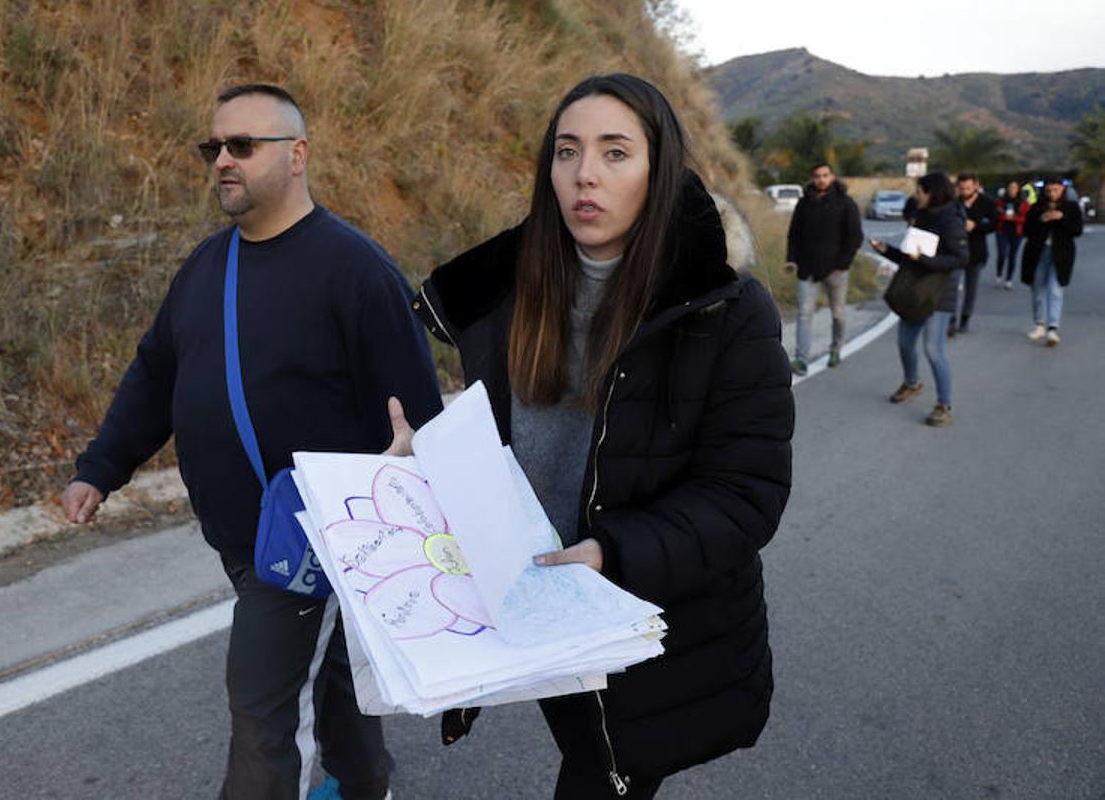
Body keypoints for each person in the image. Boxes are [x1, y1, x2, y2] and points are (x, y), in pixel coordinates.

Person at [402, 73, 794, 798]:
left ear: (660, 170)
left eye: (616, 153)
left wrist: (613, 554)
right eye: (567, 151)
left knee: (604, 771)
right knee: (589, 758)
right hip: (539, 609)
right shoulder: (508, 293)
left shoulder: (724, 310)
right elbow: (499, 447)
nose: (585, 174)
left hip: (647, 616)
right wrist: (421, 460)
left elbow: (746, 494)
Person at [59, 84, 443, 800]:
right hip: (241, 538)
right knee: (324, 674)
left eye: (242, 146)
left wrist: (393, 500)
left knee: (261, 703)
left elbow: (414, 416)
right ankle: (367, 786)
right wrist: (101, 467)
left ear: (296, 156)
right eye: (214, 147)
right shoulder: (207, 267)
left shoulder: (354, 268)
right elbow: (155, 374)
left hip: (313, 540)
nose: (222, 162)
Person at [869, 172, 969, 427]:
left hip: (939, 294)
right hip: (914, 291)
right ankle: (912, 383)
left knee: (933, 349)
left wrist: (925, 261)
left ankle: (944, 404)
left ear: (932, 192)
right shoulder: (922, 216)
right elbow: (909, 256)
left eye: (920, 191)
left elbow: (960, 258)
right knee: (904, 342)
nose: (916, 195)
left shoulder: (952, 220)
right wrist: (886, 250)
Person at [784, 162, 863, 373]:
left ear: (832, 177)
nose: (821, 179)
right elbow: (793, 234)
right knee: (804, 314)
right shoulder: (803, 203)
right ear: (812, 178)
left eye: (825, 175)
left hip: (836, 270)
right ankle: (801, 359)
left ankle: (836, 349)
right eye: (817, 176)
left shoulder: (846, 204)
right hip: (807, 269)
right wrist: (791, 258)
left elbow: (855, 237)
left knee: (838, 314)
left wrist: (842, 264)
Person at [1021, 176, 1084, 346]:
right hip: (1038, 252)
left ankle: (1053, 328)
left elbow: (1077, 230)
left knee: (1055, 289)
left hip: (1061, 254)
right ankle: (1039, 323)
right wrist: (1042, 220)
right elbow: (1026, 230)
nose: (1052, 194)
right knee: (1037, 287)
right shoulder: (1036, 208)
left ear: (1062, 190)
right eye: (1049, 191)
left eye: (1055, 190)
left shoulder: (1071, 208)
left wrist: (1061, 218)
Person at [952, 173, 998, 333]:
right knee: (952, 285)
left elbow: (994, 224)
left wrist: (976, 226)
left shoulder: (986, 203)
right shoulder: (953, 203)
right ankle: (950, 319)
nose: (965, 192)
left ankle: (965, 319)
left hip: (976, 251)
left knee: (971, 288)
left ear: (976, 185)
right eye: (962, 188)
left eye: (968, 188)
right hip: (954, 251)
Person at [994, 179, 1029, 289]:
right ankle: (999, 273)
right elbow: (994, 214)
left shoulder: (1024, 203)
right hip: (1002, 230)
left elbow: (1027, 218)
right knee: (1002, 254)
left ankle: (1009, 279)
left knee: (1012, 256)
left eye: (1014, 187)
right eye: (1010, 187)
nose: (1012, 190)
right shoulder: (1000, 201)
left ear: (1018, 189)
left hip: (1017, 232)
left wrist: (1015, 218)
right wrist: (1004, 216)